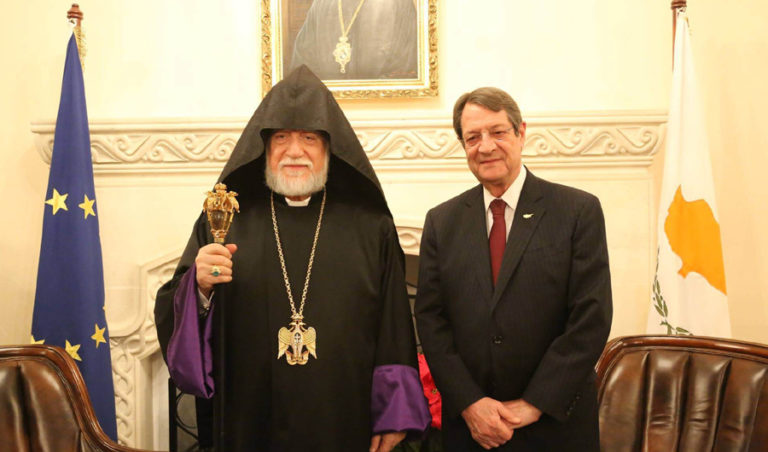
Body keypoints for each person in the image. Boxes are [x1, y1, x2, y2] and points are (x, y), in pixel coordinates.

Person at [154, 65, 430, 452]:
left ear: (329, 148)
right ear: (264, 148)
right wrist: (198, 287)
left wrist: (393, 413)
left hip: (342, 417)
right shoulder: (227, 219)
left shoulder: (371, 227)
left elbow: (394, 326)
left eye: (309, 138)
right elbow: (175, 311)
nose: (294, 151)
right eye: (281, 137)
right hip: (249, 418)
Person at [414, 87, 613, 451]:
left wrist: (534, 403)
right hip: (471, 431)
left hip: (554, 427)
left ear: (521, 132)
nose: (486, 146)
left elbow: (591, 317)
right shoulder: (442, 222)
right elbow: (431, 320)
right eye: (473, 137)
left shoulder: (577, 211)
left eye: (498, 132)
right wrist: (470, 403)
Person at [288, 0, 418, 80]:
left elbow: (407, 65)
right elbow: (302, 65)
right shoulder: (321, 3)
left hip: (380, 105)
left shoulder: (399, 3)